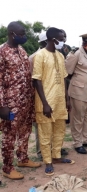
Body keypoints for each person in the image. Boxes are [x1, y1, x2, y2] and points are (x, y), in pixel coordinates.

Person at [0, 21, 41, 180]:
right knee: (9, 135)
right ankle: (7, 167)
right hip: (11, 103)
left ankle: (23, 159)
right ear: (12, 34)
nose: (24, 37)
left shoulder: (21, 50)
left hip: (26, 99)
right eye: (22, 34)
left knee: (25, 130)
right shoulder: (2, 52)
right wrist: (2, 105)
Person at [32, 27, 74, 176]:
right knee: (45, 133)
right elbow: (36, 80)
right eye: (62, 39)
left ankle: (56, 156)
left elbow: (63, 78)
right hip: (46, 102)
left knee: (60, 130)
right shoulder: (40, 56)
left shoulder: (60, 56)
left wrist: (67, 99)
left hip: (60, 101)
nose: (63, 42)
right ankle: (48, 161)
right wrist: (44, 103)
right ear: (53, 39)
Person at [65, 32, 87, 154]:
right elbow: (68, 73)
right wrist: (79, 81)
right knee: (77, 118)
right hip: (78, 91)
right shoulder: (76, 54)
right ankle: (77, 143)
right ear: (85, 44)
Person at [29, 32, 47, 160]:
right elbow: (33, 80)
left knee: (52, 124)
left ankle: (52, 149)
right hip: (39, 97)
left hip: (53, 96)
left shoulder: (55, 55)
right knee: (41, 125)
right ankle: (41, 152)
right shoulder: (34, 57)